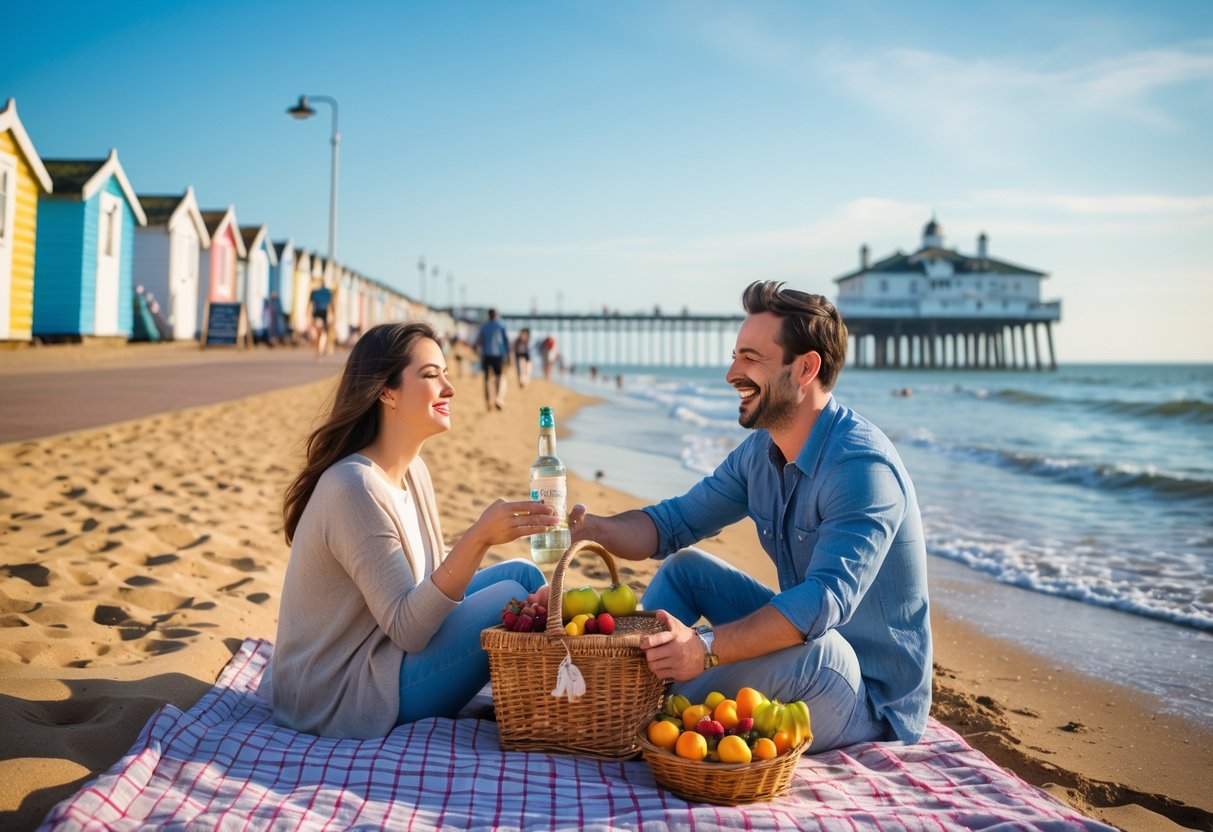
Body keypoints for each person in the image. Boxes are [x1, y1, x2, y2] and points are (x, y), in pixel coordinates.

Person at [568, 281, 931, 753]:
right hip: (806, 647)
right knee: (686, 570)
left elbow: (822, 604)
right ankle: (621, 686)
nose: (731, 373)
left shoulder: (861, 467)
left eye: (750, 358)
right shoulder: (762, 452)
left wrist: (703, 648)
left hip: (866, 697)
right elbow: (672, 523)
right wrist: (592, 528)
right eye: (736, 356)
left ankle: (623, 713)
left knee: (824, 648)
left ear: (805, 368)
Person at [270, 322, 558, 738]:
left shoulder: (414, 471)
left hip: (387, 651)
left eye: (445, 372)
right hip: (340, 692)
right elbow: (408, 627)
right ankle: (552, 708)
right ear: (386, 391)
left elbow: (428, 585)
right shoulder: (354, 488)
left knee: (524, 578)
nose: (449, 388)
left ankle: (551, 705)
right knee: (512, 598)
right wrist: (477, 539)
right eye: (430, 375)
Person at [474, 309, 511, 411]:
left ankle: (488, 402)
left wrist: (475, 349)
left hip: (486, 356)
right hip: (498, 356)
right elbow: (506, 341)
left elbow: (478, 341)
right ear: (497, 315)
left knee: (487, 380)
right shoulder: (501, 325)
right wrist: (509, 357)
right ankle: (498, 398)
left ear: (488, 315)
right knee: (499, 377)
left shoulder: (484, 326)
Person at [306, 279, 333, 358]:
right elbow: (331, 304)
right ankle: (321, 348)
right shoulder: (328, 292)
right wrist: (333, 314)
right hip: (323, 313)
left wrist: (307, 314)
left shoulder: (314, 292)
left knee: (318, 332)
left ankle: (319, 349)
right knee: (323, 332)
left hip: (317, 313)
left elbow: (310, 304)